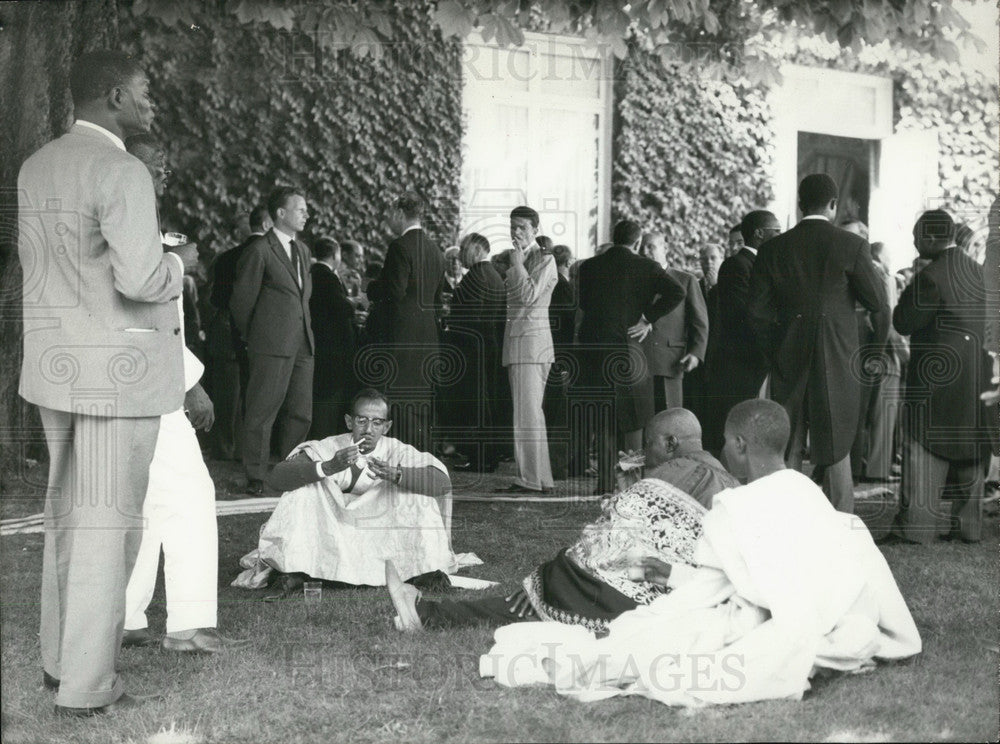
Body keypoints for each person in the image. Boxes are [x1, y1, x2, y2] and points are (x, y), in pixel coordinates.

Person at [479, 399, 922, 708]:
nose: (723, 451)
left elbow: (713, 591)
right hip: (835, 612)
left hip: (768, 618)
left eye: (727, 443)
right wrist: (669, 572)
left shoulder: (736, 507)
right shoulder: (809, 491)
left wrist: (664, 594)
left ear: (742, 445)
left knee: (648, 635)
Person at [18, 50, 197, 716]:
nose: (152, 102)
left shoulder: (37, 165)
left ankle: (60, 662)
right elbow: (140, 280)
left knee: (67, 520)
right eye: (147, 89)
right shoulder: (123, 170)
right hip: (116, 377)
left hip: (55, 368)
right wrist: (179, 263)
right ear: (117, 95)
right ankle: (87, 686)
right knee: (106, 527)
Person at [387, 409, 736, 632]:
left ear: (671, 442)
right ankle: (426, 613)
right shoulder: (729, 482)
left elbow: (605, 543)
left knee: (542, 592)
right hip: (690, 599)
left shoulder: (671, 473)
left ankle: (427, 614)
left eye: (650, 446)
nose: (646, 456)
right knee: (531, 602)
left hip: (641, 599)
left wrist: (545, 580)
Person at [117, 135, 241, 654]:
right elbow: (140, 310)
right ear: (130, 167)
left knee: (150, 501)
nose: (164, 175)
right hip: (148, 382)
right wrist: (178, 265)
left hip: (141, 381)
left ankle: (125, 615)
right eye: (156, 166)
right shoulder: (128, 219)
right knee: (190, 494)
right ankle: (186, 625)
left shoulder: (130, 216)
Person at [748, 174, 888, 512]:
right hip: (838, 353)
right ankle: (842, 519)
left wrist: (776, 350)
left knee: (788, 437)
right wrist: (869, 350)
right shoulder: (851, 245)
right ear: (834, 204)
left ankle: (787, 517)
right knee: (836, 435)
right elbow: (878, 302)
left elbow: (756, 314)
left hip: (788, 350)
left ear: (799, 203)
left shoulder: (771, 248)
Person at [238, 389, 456, 588]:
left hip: (377, 535)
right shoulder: (329, 446)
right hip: (332, 532)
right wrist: (328, 466)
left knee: (417, 496)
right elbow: (277, 478)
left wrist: (397, 475)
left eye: (377, 422)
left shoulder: (396, 450)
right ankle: (295, 570)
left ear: (386, 426)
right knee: (303, 490)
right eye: (362, 420)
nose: (369, 429)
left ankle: (422, 571)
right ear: (349, 422)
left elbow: (442, 482)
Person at [884, 210, 995, 544]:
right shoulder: (981, 273)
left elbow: (903, 322)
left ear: (931, 238)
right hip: (977, 376)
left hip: (936, 380)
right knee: (972, 446)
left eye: (917, 238)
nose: (915, 244)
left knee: (924, 446)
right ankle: (969, 526)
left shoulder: (930, 276)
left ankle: (917, 526)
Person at [576, 220, 686, 494]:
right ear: (637, 243)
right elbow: (677, 291)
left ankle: (603, 484)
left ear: (613, 238)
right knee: (634, 419)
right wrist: (647, 318)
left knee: (603, 417)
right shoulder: (647, 266)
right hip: (630, 348)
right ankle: (632, 483)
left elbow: (585, 304)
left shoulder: (588, 266)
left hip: (595, 349)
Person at [230, 186, 315, 494]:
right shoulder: (259, 250)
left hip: (303, 343)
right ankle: (256, 475)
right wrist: (256, 338)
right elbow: (242, 303)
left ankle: (290, 473)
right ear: (281, 213)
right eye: (300, 209)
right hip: (270, 345)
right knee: (262, 411)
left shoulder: (302, 251)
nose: (306, 214)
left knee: (300, 412)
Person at [362, 192, 444, 452]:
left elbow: (394, 292)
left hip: (400, 338)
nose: (388, 220)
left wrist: (372, 289)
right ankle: (419, 465)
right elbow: (438, 300)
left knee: (395, 404)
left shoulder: (400, 246)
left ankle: (395, 466)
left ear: (399, 213)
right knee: (418, 406)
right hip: (428, 338)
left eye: (389, 214)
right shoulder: (435, 250)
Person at [704, 210, 780, 453]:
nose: (780, 236)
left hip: (754, 360)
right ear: (759, 234)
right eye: (775, 232)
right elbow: (746, 314)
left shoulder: (761, 263)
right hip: (741, 361)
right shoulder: (737, 264)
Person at [496, 206, 559, 494]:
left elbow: (529, 296)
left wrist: (517, 263)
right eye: (513, 226)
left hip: (530, 347)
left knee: (527, 415)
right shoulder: (524, 258)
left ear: (535, 229)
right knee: (530, 414)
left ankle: (530, 480)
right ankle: (540, 478)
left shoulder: (545, 259)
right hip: (524, 346)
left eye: (522, 227)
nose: (516, 231)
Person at [207, 204, 272, 460]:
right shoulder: (269, 257)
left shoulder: (225, 257)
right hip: (259, 329)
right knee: (254, 391)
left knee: (227, 393)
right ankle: (248, 450)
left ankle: (225, 447)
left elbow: (214, 298)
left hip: (226, 327)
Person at [440, 233, 506, 472]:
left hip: (472, 350)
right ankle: (486, 456)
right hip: (488, 347)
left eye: (465, 249)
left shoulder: (476, 277)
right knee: (486, 402)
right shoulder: (493, 275)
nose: (460, 254)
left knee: (476, 404)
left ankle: (480, 458)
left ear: (478, 250)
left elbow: (472, 318)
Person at [639, 233, 708, 412]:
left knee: (671, 420)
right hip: (638, 362)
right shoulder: (634, 280)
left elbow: (700, 322)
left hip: (671, 361)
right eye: (642, 248)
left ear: (665, 249)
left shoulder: (685, 280)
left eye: (651, 247)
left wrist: (696, 353)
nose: (645, 252)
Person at [309, 237, 357, 440]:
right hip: (331, 348)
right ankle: (324, 440)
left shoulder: (313, 273)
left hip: (320, 344)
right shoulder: (326, 276)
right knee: (328, 400)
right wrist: (354, 303)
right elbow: (341, 307)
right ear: (336, 255)